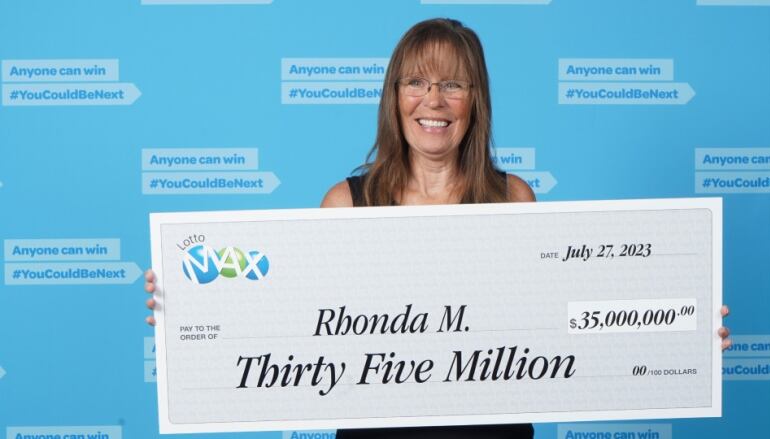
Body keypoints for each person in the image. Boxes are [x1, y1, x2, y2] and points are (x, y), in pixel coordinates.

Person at [146, 18, 732, 439]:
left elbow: (566, 321)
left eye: (453, 84)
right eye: (416, 83)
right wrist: (190, 309)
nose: (434, 100)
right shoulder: (346, 203)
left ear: (474, 101)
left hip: (491, 431)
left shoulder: (512, 197)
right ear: (394, 97)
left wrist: (680, 331)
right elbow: (297, 326)